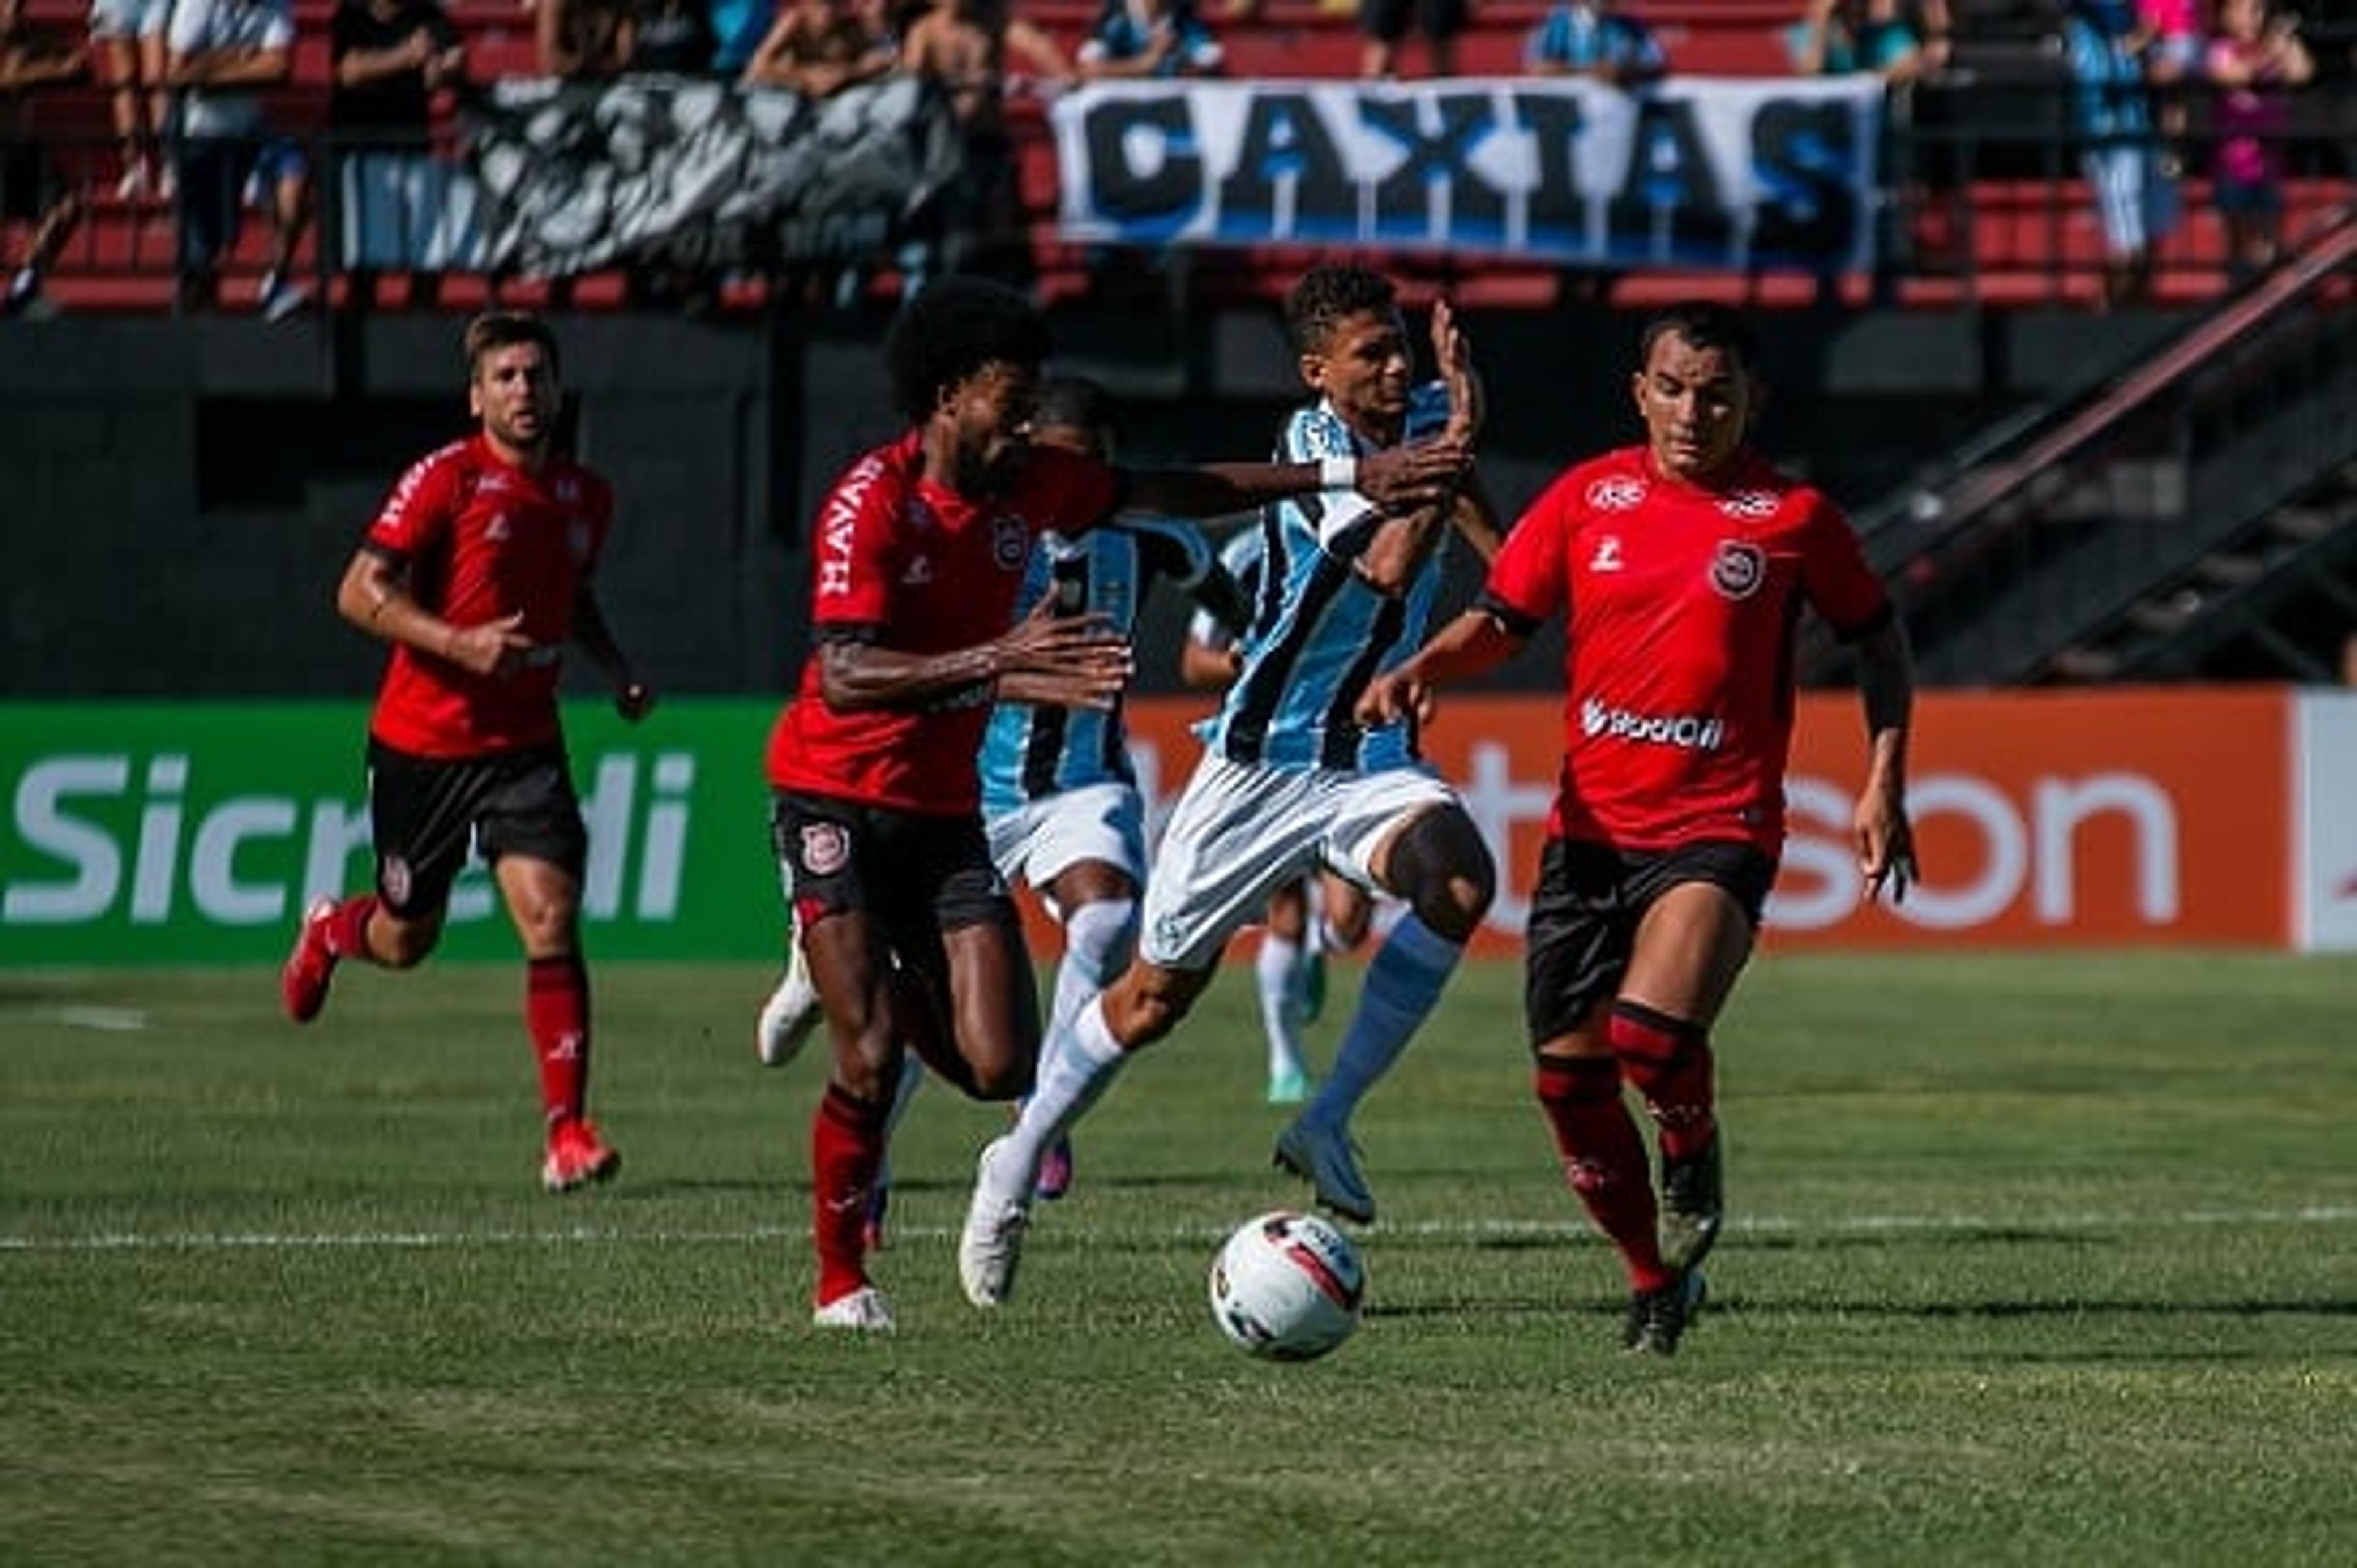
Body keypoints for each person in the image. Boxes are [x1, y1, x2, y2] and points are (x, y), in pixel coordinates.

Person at [767, 274, 1467, 1333]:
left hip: (961, 804)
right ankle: (840, 1280)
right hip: (842, 791)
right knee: (882, 1051)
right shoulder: (876, 500)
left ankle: (970, 1074)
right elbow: (845, 675)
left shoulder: (1032, 484)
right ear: (950, 394)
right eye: (1013, 396)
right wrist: (1003, 660)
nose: (1030, 417)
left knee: (995, 1061)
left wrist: (1354, 471)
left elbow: (1174, 488)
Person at [1355, 301, 1917, 1356]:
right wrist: (1429, 665)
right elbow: (1505, 623)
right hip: (1591, 837)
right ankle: (1654, 1279)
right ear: (1640, 394)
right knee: (1567, 1084)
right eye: (1672, 388)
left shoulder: (1791, 519)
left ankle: (1691, 1138)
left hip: (1720, 823)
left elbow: (1881, 643)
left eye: (1715, 392)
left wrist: (1886, 781)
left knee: (1650, 1041)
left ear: (1753, 399)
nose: (1692, 412)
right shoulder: (1586, 497)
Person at [956, 264, 1504, 1312]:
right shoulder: (1316, 451)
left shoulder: (1432, 421)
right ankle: (1016, 1159)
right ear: (1317, 374)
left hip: (1362, 753)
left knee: (1461, 881)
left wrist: (1498, 563)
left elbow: (1496, 545)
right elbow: (1387, 568)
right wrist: (1453, 446)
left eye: (1400, 346)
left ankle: (1326, 1117)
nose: (1395, 368)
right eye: (1371, 355)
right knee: (1157, 999)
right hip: (1260, 758)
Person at [755, 374, 1253, 1213]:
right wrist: (1010, 668)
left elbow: (1217, 585)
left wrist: (1251, 648)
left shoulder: (1147, 536)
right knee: (922, 1013)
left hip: (1082, 786)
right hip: (969, 789)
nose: (1074, 496)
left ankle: (1041, 1121)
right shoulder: (988, 533)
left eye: (1090, 470)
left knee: (1102, 918)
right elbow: (895, 659)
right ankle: (866, 1151)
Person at [279, 312, 657, 1197]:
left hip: (525, 743)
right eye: (507, 377)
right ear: (477, 395)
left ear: (558, 388)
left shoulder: (584, 497)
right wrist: (458, 642)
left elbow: (571, 595)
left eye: (536, 374)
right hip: (424, 746)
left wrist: (617, 670)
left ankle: (567, 1130)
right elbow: (356, 591)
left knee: (550, 915)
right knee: (408, 938)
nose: (524, 390)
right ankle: (333, 929)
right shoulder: (444, 479)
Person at [1177, 522, 1376, 1106]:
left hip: (1346, 745)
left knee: (1349, 923)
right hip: (1267, 753)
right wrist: (1261, 667)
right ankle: (1285, 1064)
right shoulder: (1245, 554)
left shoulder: (1367, 534)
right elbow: (1194, 663)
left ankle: (1319, 946)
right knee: (1283, 905)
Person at [165, 0, 314, 319]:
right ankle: (191, 319)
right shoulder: (198, 5)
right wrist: (241, 59)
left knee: (296, 175)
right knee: (204, 255)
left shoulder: (276, 6)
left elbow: (278, 69)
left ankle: (277, 281)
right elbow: (176, 73)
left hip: (249, 130)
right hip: (198, 135)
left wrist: (210, 70)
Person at [330, 0, 467, 310]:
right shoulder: (351, 16)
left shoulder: (431, 17)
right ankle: (359, 336)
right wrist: (407, 56)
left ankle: (418, 331)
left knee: (428, 263)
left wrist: (445, 70)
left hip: (413, 153)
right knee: (362, 268)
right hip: (360, 153)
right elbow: (350, 71)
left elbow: (449, 62)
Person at [2061, 0, 2181, 310]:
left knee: (2154, 237)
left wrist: (2159, 62)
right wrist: (2137, 42)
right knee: (2127, 245)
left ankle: (2136, 306)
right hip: (2110, 140)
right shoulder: (2081, 26)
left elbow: (2161, 66)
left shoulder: (2133, 14)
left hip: (2146, 134)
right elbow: (2094, 76)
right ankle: (2108, 312)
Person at [2205, 0, 2313, 282]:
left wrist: (2286, 41)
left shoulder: (2274, 44)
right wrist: (2269, 53)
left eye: (2257, 9)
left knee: (2270, 240)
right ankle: (2238, 303)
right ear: (2224, 15)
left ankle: (2265, 302)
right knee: (2240, 242)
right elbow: (2235, 75)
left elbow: (2303, 73)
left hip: (2270, 165)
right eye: (2243, 9)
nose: (2252, 17)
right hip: (2233, 165)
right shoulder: (2219, 50)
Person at [2, 0, 87, 317]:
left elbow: (78, 64)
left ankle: (25, 284)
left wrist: (27, 73)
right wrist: (32, 73)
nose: (11, 11)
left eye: (17, 5)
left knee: (65, 206)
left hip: (20, 149)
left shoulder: (31, 38)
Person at [741, 0, 894, 95]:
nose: (826, 12)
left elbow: (884, 56)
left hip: (835, 87)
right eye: (820, 4)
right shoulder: (794, 21)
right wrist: (804, 77)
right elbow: (756, 67)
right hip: (795, 89)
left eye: (832, 4)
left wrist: (852, 71)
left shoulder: (848, 24)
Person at [1523, 0, 1664, 86]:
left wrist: (1625, 74)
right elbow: (1539, 69)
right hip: (1567, 120)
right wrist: (1589, 71)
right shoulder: (1558, 24)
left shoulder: (1631, 26)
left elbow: (1656, 64)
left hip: (1619, 113)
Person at [1075, 0, 1223, 80]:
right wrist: (1144, 64)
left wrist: (1177, 66)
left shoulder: (1183, 16)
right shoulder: (1116, 18)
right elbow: (1089, 69)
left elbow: (1209, 59)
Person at [1786, 0, 1924, 83]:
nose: (1857, 8)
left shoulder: (1884, 32)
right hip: (1823, 118)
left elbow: (1911, 64)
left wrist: (1867, 81)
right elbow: (1809, 72)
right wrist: (1821, 20)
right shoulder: (1809, 30)